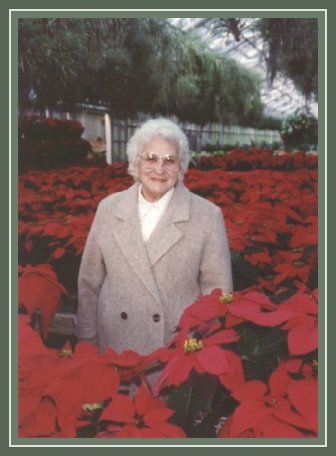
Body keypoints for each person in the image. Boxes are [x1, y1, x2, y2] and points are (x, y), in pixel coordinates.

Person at [74, 118, 233, 356]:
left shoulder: (207, 216)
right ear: (135, 161)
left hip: (174, 355)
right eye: (151, 158)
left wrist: (202, 350)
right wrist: (86, 340)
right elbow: (89, 283)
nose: (159, 169)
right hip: (113, 351)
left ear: (181, 167)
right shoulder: (108, 208)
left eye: (170, 160)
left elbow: (218, 295)